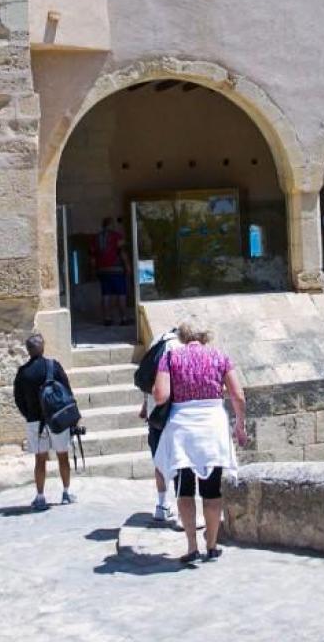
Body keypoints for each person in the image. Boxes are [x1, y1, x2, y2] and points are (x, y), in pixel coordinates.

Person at [151, 322, 247, 565]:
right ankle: (212, 545)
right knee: (212, 489)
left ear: (182, 338)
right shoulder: (219, 356)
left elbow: (160, 395)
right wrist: (239, 425)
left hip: (183, 428)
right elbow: (238, 395)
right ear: (204, 337)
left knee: (185, 489)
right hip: (212, 426)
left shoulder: (171, 357)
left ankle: (192, 545)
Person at [13, 333, 75, 510]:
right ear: (43, 347)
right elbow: (67, 391)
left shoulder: (23, 372)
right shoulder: (53, 366)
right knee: (63, 456)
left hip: (35, 421)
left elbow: (18, 399)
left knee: (40, 460)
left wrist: (29, 415)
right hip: (57, 419)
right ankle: (66, 493)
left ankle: (40, 496)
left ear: (28, 350)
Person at [136, 326, 180, 522]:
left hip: (155, 413)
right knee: (180, 461)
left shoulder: (157, 343)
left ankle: (161, 505)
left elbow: (147, 377)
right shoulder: (179, 347)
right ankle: (182, 509)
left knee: (159, 458)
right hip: (173, 410)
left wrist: (145, 405)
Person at [93, 216, 129, 326]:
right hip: (116, 269)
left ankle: (107, 319)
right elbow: (122, 252)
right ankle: (123, 318)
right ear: (111, 224)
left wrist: (94, 270)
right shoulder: (117, 236)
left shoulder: (96, 238)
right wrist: (127, 266)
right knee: (121, 294)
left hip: (102, 270)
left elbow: (92, 257)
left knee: (106, 295)